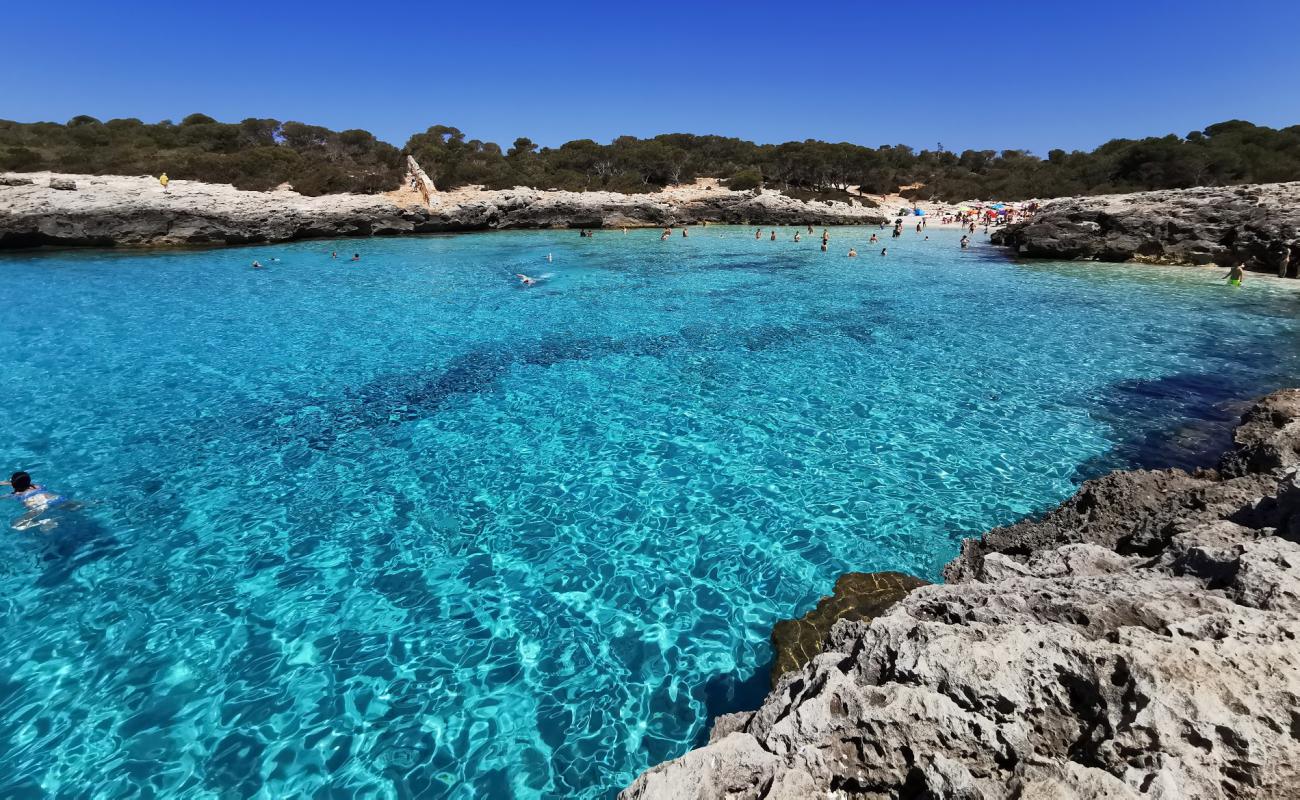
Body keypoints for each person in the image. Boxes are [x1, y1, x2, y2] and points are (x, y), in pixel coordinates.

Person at [4, 471, 69, 531]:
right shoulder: (36, 486)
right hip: (53, 498)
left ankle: (43, 521)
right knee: (74, 506)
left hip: (37, 507)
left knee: (16, 526)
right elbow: (22, 482)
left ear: (13, 484)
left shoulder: (16, 494)